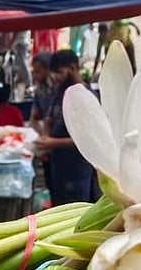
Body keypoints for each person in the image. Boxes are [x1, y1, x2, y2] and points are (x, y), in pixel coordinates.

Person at [36, 50, 97, 205]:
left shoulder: (87, 97)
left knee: (75, 216)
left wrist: (52, 143)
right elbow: (49, 118)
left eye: (60, 72)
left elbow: (87, 140)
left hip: (77, 171)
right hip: (57, 167)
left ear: (72, 68)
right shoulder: (60, 91)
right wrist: (47, 133)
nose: (56, 77)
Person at [28, 51, 53, 131]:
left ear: (49, 71)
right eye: (33, 72)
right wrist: (44, 135)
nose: (34, 75)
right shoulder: (40, 91)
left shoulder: (60, 92)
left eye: (38, 72)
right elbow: (33, 120)